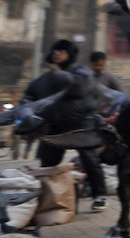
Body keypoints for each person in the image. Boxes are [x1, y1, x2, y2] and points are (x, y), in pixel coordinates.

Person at [21, 39, 109, 210]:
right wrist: (26, 107)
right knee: (48, 162)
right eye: (55, 51)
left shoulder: (82, 72)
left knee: (89, 159)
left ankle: (100, 194)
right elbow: (31, 94)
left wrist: (58, 74)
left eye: (61, 51)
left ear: (70, 55)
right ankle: (47, 196)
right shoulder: (44, 78)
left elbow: (79, 89)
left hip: (81, 122)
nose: (57, 54)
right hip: (55, 125)